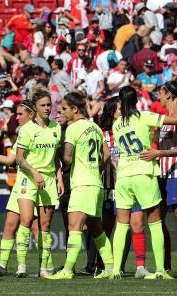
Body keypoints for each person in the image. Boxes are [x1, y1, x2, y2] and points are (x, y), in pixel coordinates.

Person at [109, 86, 177, 279]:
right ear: (135, 101)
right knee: (155, 221)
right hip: (143, 172)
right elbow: (176, 120)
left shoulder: (116, 125)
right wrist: (173, 103)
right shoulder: (143, 116)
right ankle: (160, 270)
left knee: (122, 224)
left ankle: (116, 270)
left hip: (123, 176)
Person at [45, 92, 114, 280]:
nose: (62, 112)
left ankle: (67, 270)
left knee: (74, 227)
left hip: (82, 184)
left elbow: (67, 158)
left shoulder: (73, 129)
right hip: (96, 184)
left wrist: (57, 155)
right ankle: (109, 268)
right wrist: (95, 168)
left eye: (65, 109)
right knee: (96, 229)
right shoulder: (95, 127)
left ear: (75, 109)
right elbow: (106, 155)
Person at [139, 80, 177, 279]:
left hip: (176, 174)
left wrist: (158, 153)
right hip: (162, 175)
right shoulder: (167, 118)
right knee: (158, 221)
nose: (158, 97)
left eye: (161, 93)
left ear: (169, 96)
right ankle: (165, 267)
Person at [0, 101, 50, 276]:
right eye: (16, 113)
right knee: (10, 225)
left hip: (33, 184)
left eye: (20, 114)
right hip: (20, 184)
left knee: (35, 226)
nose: (17, 117)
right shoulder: (24, 133)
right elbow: (10, 160)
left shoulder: (41, 131)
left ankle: (44, 265)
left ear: (31, 114)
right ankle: (3, 266)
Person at [14, 87, 62, 277]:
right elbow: (19, 158)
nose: (47, 108)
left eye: (49, 105)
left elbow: (56, 156)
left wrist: (59, 178)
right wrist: (34, 172)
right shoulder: (26, 129)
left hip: (49, 179)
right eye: (43, 105)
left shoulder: (56, 128)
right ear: (35, 107)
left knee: (46, 225)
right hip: (28, 177)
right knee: (26, 220)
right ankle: (21, 266)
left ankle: (44, 268)